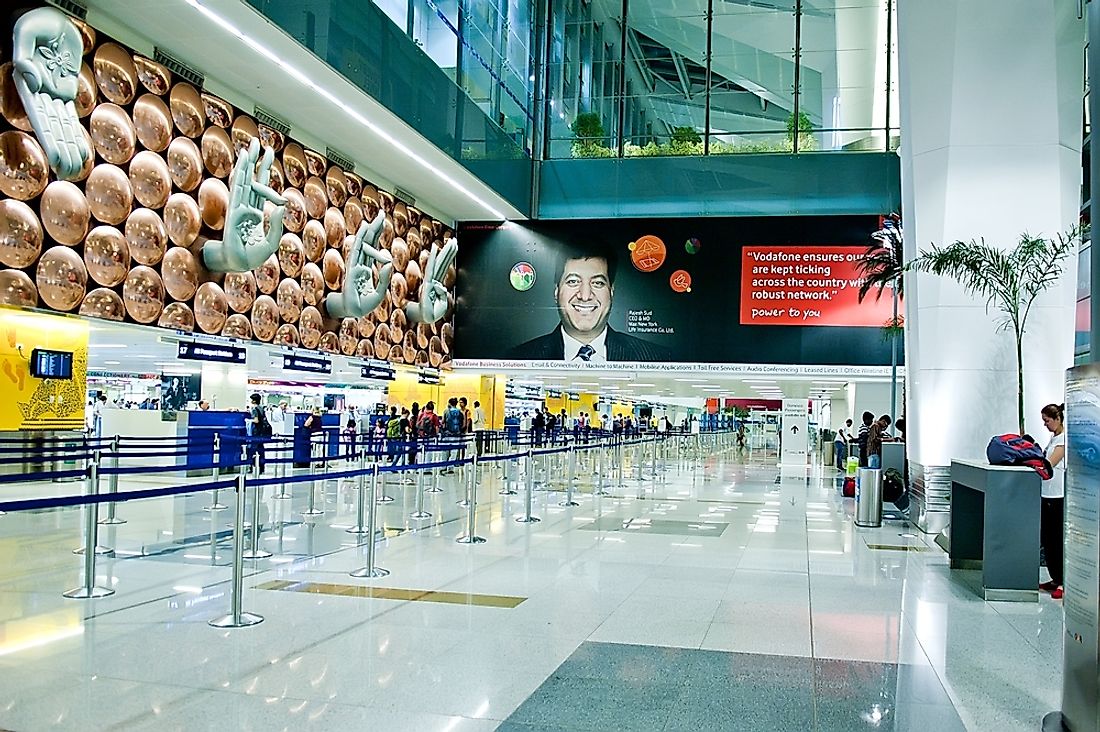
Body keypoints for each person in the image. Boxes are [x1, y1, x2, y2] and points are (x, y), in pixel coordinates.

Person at [506, 243, 671, 361]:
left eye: (597, 283)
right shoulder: (518, 357)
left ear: (611, 292)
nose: (585, 296)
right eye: (573, 282)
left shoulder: (657, 357)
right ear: (556, 291)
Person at [1040, 403, 1066, 599]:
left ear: (1057, 419)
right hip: (1046, 494)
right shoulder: (1053, 438)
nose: (1046, 425)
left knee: (1056, 539)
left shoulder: (1063, 439)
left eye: (1047, 421)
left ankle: (1062, 581)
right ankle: (1054, 577)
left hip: (1058, 496)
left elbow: (1051, 464)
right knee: (1048, 539)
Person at [247, 393, 271, 472]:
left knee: (254, 449)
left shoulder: (254, 409)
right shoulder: (261, 408)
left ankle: (254, 466)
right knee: (261, 449)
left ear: (254, 400)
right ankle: (262, 466)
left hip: (256, 432)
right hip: (262, 432)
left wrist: (248, 420)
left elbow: (256, 420)